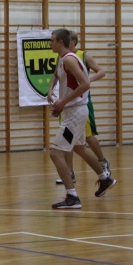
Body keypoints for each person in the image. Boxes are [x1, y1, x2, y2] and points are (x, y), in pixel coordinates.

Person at [47, 28, 117, 209]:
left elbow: (85, 84)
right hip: (73, 111)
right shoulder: (64, 59)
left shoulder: (69, 59)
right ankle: (105, 178)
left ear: (60, 42)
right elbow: (68, 84)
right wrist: (59, 102)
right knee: (79, 147)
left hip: (75, 114)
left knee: (55, 152)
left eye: (52, 40)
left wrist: (63, 102)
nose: (50, 43)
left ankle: (72, 197)